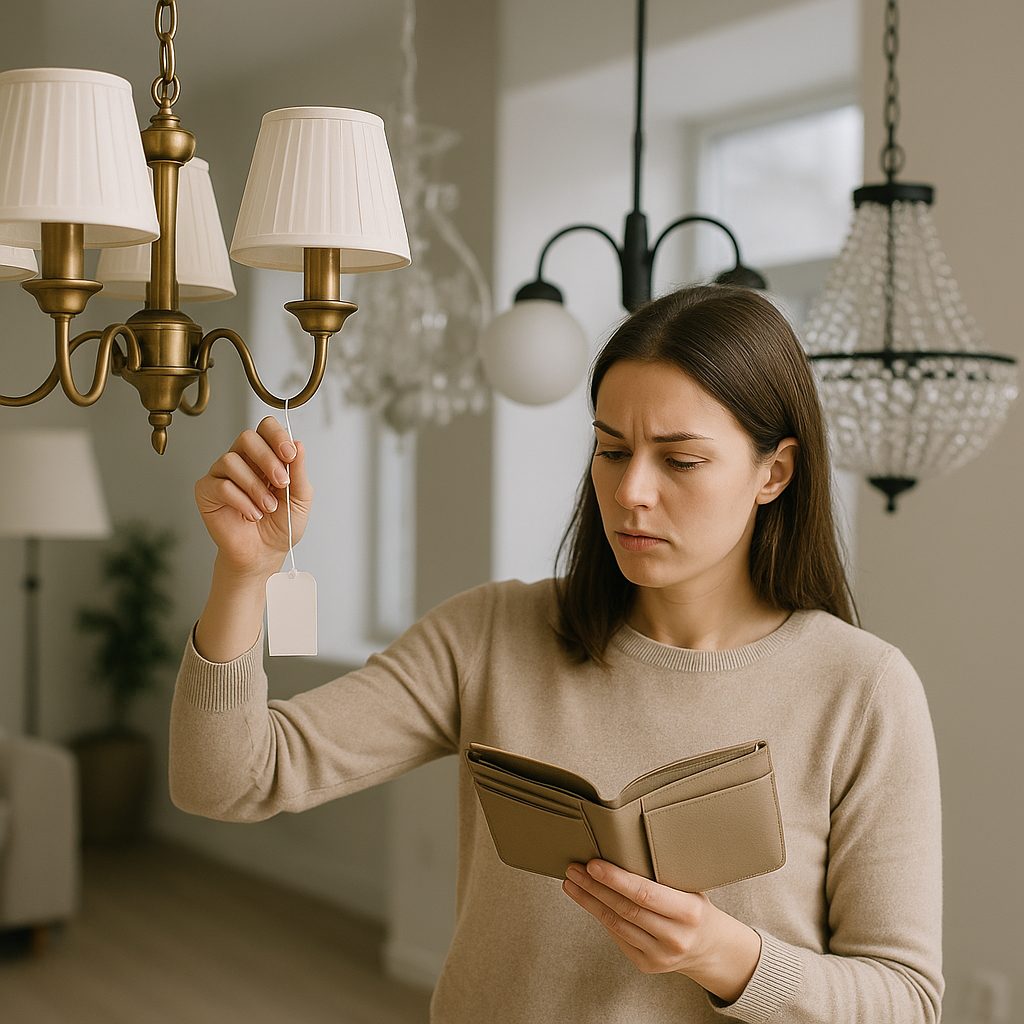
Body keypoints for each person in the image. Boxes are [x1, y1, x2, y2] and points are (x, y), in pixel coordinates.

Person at [170, 285, 943, 1023]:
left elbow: (905, 1001)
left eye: (680, 461)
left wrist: (727, 957)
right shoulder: (492, 634)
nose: (632, 490)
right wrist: (244, 573)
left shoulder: (863, 689)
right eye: (611, 450)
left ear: (773, 472)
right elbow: (227, 781)